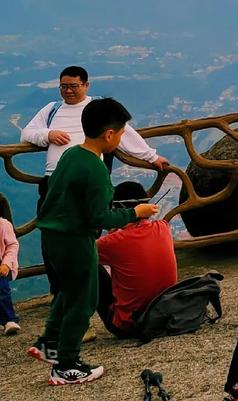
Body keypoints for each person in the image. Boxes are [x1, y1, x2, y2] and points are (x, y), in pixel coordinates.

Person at [29, 98, 159, 385]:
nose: (122, 137)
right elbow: (101, 217)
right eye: (122, 133)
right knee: (84, 298)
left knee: (68, 291)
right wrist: (135, 212)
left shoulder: (71, 154)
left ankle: (48, 344)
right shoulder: (96, 169)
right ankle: (67, 364)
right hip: (75, 239)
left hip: (53, 234)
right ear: (109, 134)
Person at [20, 65, 169, 292]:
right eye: (64, 86)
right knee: (51, 235)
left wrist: (151, 156)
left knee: (89, 233)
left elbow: (124, 133)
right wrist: (47, 135)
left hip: (88, 182)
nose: (68, 91)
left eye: (73, 86)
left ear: (86, 85)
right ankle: (60, 289)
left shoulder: (98, 108)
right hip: (52, 182)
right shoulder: (51, 109)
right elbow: (27, 133)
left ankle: (85, 287)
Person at [97, 181, 177, 337]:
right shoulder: (163, 227)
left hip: (128, 326)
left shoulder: (113, 242)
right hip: (164, 315)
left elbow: (80, 253)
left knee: (88, 264)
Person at [0, 194, 21, 336]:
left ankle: (9, 319)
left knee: (2, 289)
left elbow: (12, 245)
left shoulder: (3, 225)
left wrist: (6, 264)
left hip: (2, 264)